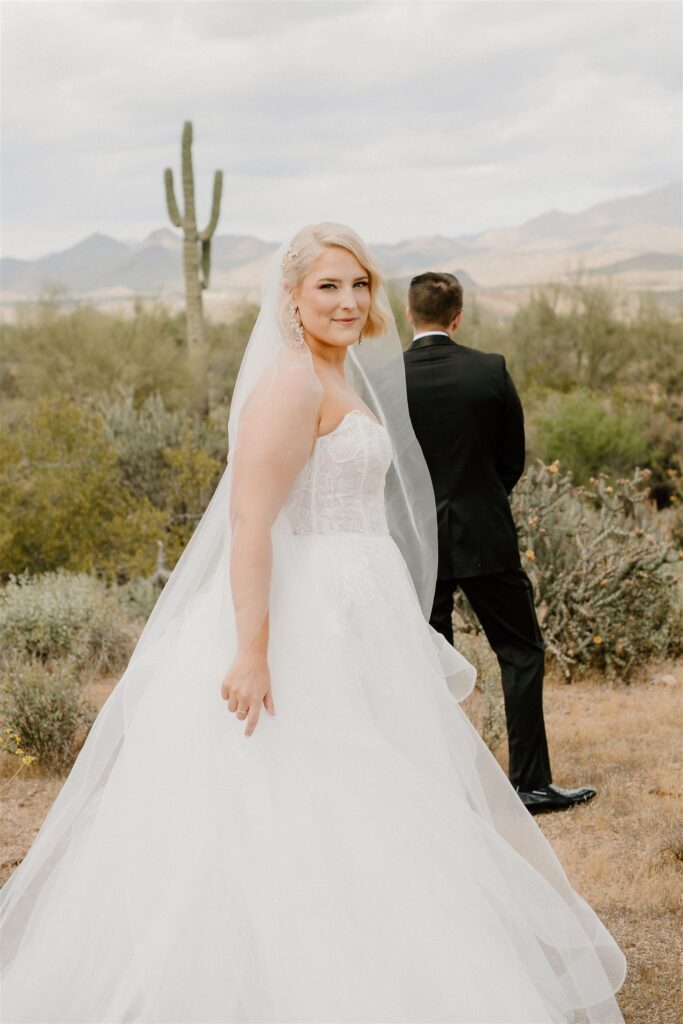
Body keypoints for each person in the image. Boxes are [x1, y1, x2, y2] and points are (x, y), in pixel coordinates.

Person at [0, 225, 625, 1023]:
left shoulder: (341, 373)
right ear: (291, 299)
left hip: (362, 616)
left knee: (379, 793)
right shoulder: (291, 383)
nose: (348, 301)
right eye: (328, 286)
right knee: (308, 791)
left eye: (359, 284)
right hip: (304, 624)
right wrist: (252, 650)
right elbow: (250, 521)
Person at [403, 271, 597, 815]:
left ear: (409, 314)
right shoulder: (490, 369)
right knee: (520, 651)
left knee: (429, 661)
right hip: (485, 534)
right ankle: (530, 784)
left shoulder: (386, 379)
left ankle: (441, 784)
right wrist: (483, 501)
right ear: (458, 317)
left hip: (419, 543)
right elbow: (512, 456)